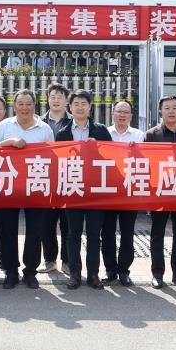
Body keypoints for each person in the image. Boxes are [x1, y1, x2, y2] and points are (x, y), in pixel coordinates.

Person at [0, 90, 55, 289]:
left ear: (34, 106)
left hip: (36, 185)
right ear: (14, 106)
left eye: (28, 104)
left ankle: (30, 272)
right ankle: (11, 271)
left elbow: (53, 157)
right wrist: (10, 142)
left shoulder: (45, 129)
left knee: (35, 230)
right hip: (8, 184)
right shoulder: (5, 126)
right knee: (7, 229)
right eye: (20, 104)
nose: (24, 108)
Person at [53, 91, 111, 289]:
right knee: (73, 233)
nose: (79, 107)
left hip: (96, 190)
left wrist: (98, 149)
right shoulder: (63, 133)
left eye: (83, 103)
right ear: (70, 107)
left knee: (94, 234)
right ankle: (74, 274)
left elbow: (113, 158)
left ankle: (93, 274)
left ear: (90, 106)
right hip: (73, 189)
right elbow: (57, 162)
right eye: (76, 104)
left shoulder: (101, 131)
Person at [145, 96, 176, 290]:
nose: (171, 111)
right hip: (160, 191)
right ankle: (157, 274)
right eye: (167, 108)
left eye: (175, 107)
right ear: (160, 111)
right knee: (157, 233)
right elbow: (147, 162)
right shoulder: (152, 134)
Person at [101, 99, 142, 287]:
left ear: (131, 116)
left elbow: (147, 162)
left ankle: (124, 271)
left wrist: (137, 152)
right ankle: (110, 270)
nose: (122, 115)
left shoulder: (139, 136)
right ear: (112, 113)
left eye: (126, 112)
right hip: (108, 191)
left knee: (127, 232)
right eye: (119, 111)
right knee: (107, 233)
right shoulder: (104, 134)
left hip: (129, 191)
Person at [41, 84, 71, 271]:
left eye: (60, 97)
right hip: (44, 178)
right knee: (46, 223)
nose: (56, 100)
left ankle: (67, 261)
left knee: (68, 223)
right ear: (48, 99)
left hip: (69, 178)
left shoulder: (74, 122)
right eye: (53, 97)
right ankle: (49, 260)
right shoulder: (39, 122)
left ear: (66, 101)